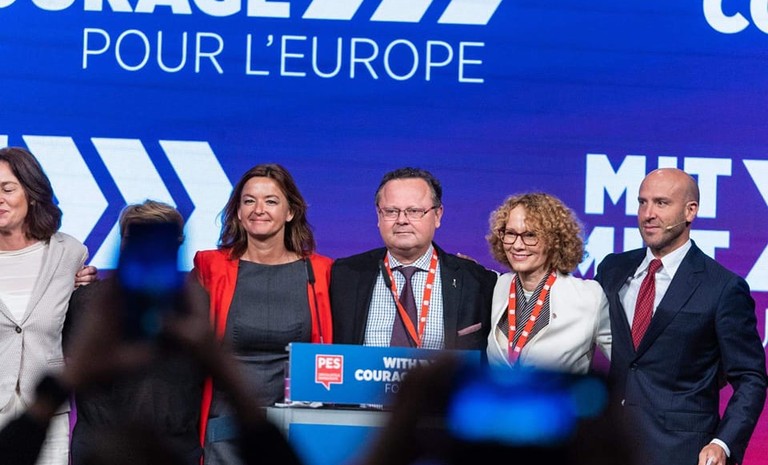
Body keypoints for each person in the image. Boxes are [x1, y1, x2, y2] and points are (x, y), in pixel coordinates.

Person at [0, 274, 302, 465]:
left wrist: (71, 375)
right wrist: (222, 368)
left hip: (175, 438)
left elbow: (10, 455)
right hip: (104, 433)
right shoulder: (86, 298)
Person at [595, 168, 767, 465]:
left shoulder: (722, 287)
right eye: (642, 202)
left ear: (690, 211)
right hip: (610, 445)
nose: (648, 214)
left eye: (661, 203)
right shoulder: (612, 269)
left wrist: (723, 443)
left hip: (680, 451)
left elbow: (750, 377)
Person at [193, 163, 332, 465]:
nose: (259, 210)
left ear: (290, 211)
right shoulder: (210, 267)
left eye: (271, 201)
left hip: (297, 431)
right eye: (249, 201)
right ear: (238, 212)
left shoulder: (322, 271)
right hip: (226, 428)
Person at [66, 200, 205, 465]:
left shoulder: (198, 304)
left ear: (177, 243)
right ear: (122, 242)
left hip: (174, 447)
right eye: (139, 238)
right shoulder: (87, 300)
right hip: (100, 447)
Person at [331, 167, 497, 350]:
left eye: (414, 211)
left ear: (437, 215)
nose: (402, 220)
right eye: (391, 211)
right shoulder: (343, 275)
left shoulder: (477, 281)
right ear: (379, 215)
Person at [0, 146, 88, 465]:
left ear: (32, 193)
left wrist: (85, 287)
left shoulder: (69, 253)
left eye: (7, 189)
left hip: (46, 413)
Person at [485, 193, 611, 373]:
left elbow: (627, 364)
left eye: (530, 235)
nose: (517, 245)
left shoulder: (589, 297)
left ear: (554, 240)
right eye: (510, 234)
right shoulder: (497, 286)